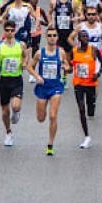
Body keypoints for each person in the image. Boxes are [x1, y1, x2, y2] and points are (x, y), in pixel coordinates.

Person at [30, 28, 69, 156]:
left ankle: (50, 144)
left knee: (53, 116)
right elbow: (29, 66)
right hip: (42, 87)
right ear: (46, 37)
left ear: (57, 37)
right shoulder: (40, 53)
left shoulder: (61, 52)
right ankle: (43, 116)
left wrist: (66, 68)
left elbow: (68, 66)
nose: (52, 37)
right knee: (41, 118)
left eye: (54, 35)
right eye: (50, 35)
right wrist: (37, 76)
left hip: (56, 87)